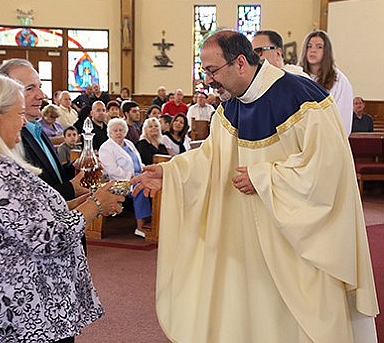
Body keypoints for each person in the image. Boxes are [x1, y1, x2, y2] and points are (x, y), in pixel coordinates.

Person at [131, 29, 378, 343]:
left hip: (297, 242)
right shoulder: (232, 107)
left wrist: (263, 177)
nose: (208, 80)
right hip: (249, 238)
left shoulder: (302, 98)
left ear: (240, 63)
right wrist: (172, 172)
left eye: (212, 71)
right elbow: (210, 158)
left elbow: (327, 170)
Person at [0, 74, 125, 342]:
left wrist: (85, 202)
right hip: (25, 307)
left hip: (23, 300)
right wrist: (96, 205)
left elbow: (30, 219)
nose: (23, 121)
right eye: (17, 114)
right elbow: (47, 238)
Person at [0, 58, 86, 202]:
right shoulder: (9, 137)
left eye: (39, 86)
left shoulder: (36, 127)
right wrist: (70, 189)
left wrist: (73, 167)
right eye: (30, 88)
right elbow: (24, 199)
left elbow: (50, 176)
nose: (41, 95)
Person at [99, 118, 152, 238]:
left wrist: (145, 170)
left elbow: (138, 162)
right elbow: (112, 170)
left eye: (121, 130)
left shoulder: (129, 143)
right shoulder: (106, 148)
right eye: (115, 130)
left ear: (125, 131)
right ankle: (140, 226)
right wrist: (132, 177)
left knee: (155, 184)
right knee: (140, 187)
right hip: (118, 182)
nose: (118, 133)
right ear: (110, 133)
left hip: (138, 176)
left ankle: (154, 220)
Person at [300, 30, 353, 135]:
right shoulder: (297, 75)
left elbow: (342, 119)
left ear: (327, 51)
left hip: (328, 138)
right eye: (309, 46)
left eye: (319, 47)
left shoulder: (339, 81)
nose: (313, 50)